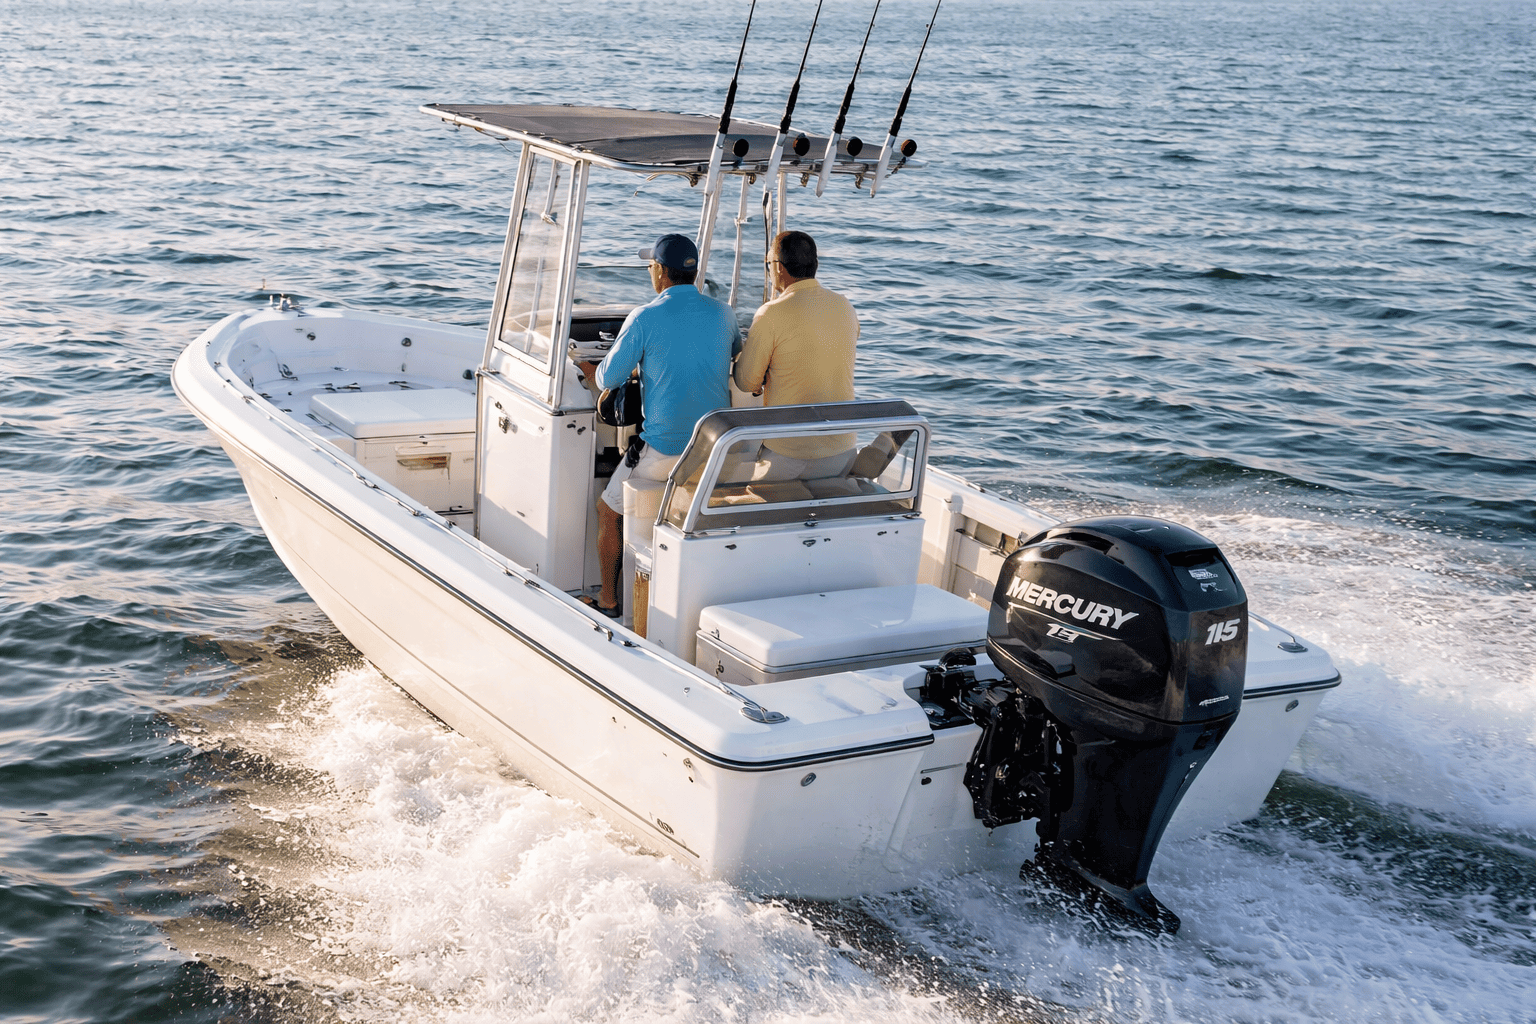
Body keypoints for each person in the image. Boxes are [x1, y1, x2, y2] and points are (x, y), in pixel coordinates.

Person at [578, 233, 739, 618]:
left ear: (661, 273)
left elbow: (606, 379)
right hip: (712, 449)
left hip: (665, 448)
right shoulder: (724, 313)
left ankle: (609, 600)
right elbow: (732, 353)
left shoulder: (645, 316)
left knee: (608, 511)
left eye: (652, 265)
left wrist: (587, 368)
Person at [731, 230, 861, 481]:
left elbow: (746, 382)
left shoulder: (771, 313)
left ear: (779, 268)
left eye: (768, 263)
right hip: (842, 450)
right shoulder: (844, 305)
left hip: (790, 452)